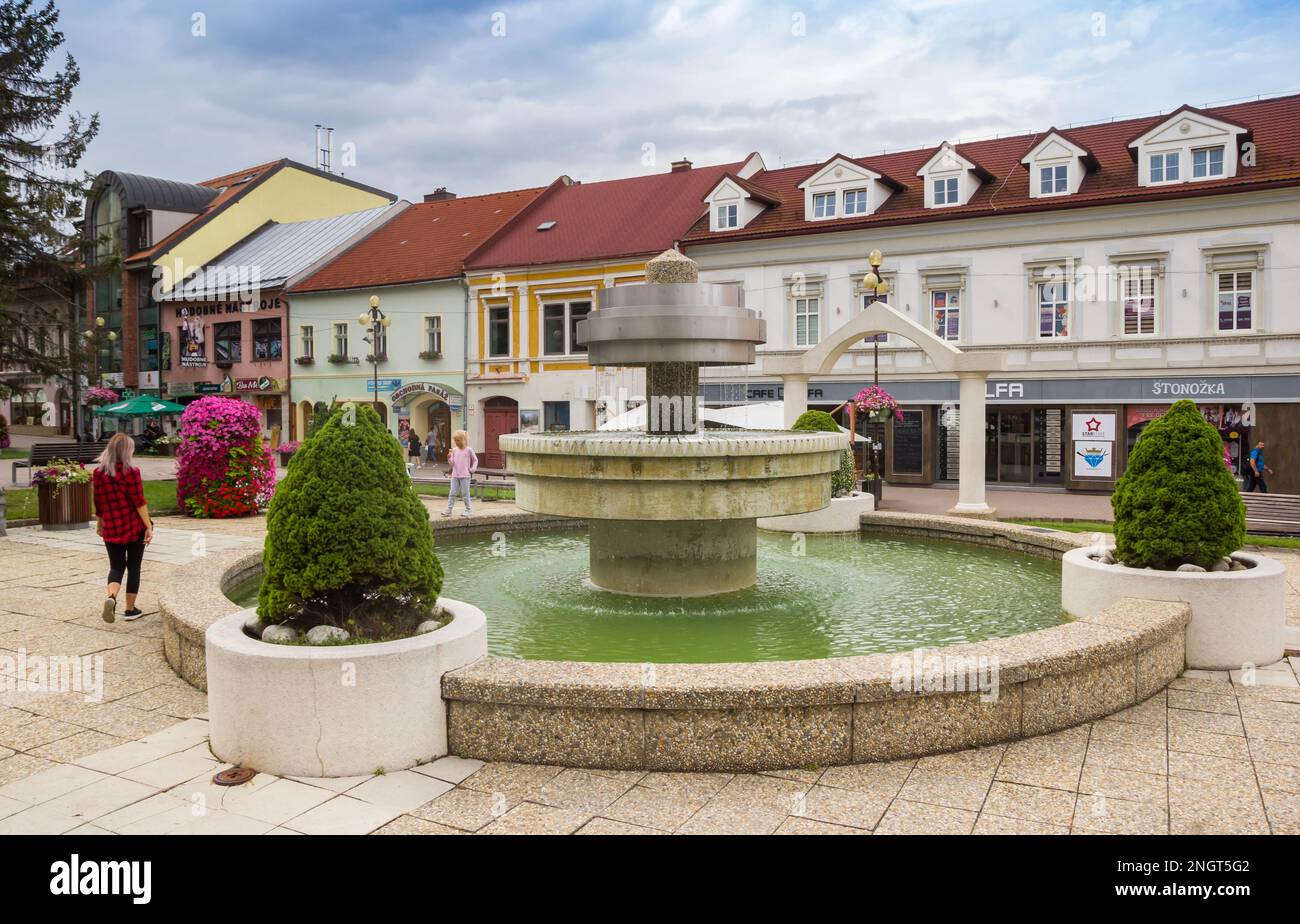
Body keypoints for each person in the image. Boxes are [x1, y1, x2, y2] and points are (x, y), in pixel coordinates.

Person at [92, 432, 154, 623]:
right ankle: (130, 609)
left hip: (111, 527)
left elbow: (99, 502)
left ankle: (111, 597)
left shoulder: (98, 473)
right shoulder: (131, 472)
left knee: (116, 566)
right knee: (134, 567)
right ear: (127, 451)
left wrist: (100, 523)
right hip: (133, 527)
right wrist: (148, 525)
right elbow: (139, 502)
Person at [442, 429, 477, 518]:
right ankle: (449, 510)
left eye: (458, 440)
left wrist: (472, 469)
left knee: (465, 493)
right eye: (455, 440)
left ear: (463, 440)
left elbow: (475, 460)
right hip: (455, 475)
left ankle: (468, 509)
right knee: (452, 492)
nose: (456, 442)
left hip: (465, 475)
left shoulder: (469, 450)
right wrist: (449, 458)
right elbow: (452, 463)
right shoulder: (454, 450)